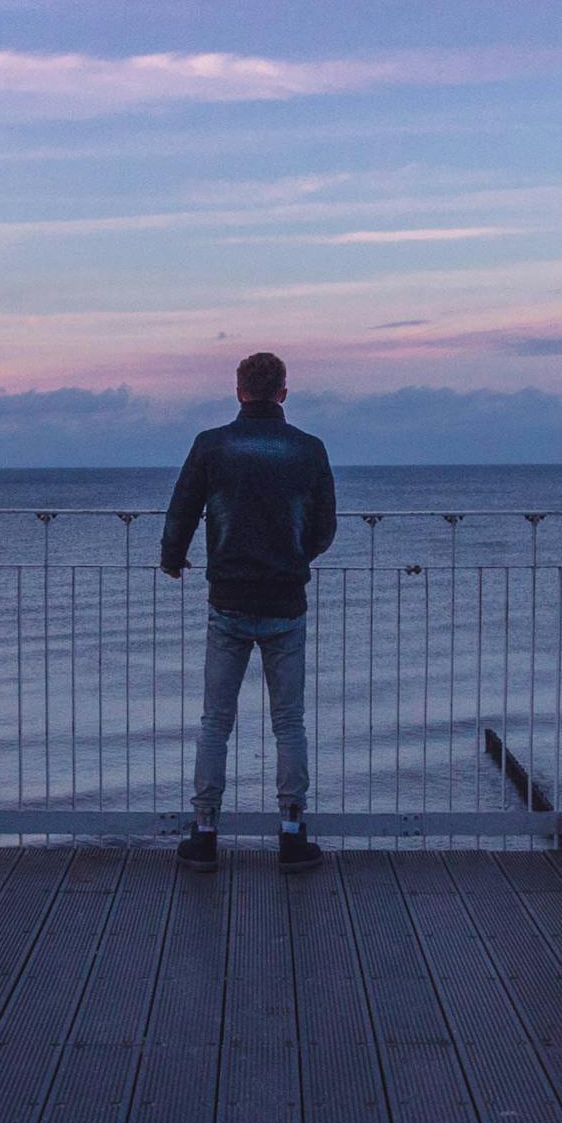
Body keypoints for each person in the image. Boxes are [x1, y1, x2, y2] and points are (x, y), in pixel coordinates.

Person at [159, 350, 336, 871]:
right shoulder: (309, 450)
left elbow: (183, 511)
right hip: (286, 601)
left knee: (216, 721)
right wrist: (295, 558)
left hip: (229, 601)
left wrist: (173, 560)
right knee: (289, 723)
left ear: (239, 391)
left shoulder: (212, 445)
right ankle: (290, 832)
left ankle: (206, 832)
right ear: (284, 391)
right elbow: (325, 527)